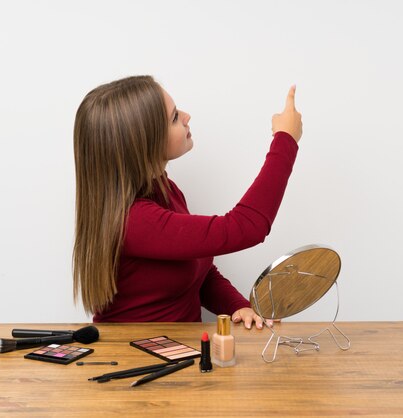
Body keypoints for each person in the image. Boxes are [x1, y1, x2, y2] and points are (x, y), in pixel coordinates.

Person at [72, 75, 302, 329]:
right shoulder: (134, 221)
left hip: (180, 355)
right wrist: (285, 139)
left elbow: (198, 273)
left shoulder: (166, 191)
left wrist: (238, 306)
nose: (186, 116)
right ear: (143, 142)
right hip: (135, 357)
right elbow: (247, 226)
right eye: (173, 118)